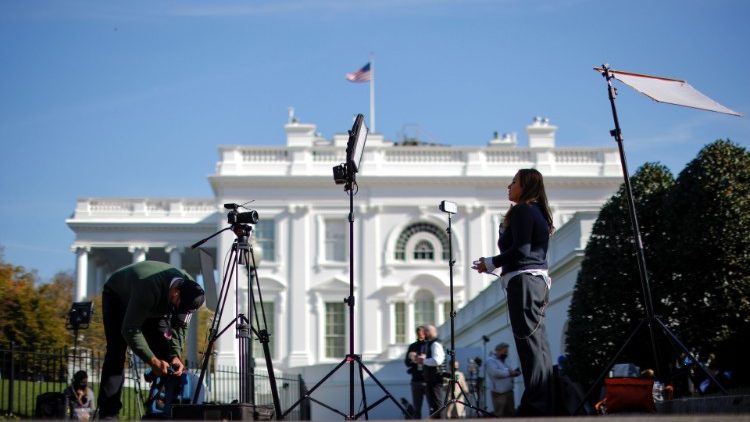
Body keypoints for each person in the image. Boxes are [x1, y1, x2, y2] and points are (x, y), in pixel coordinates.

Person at [472, 168, 555, 416]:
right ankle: (544, 402)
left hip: (524, 283)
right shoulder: (538, 211)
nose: (509, 186)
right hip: (534, 282)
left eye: (514, 182)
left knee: (529, 347)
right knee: (538, 345)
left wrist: (491, 262)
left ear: (526, 186)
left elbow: (521, 251)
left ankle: (535, 406)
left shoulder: (522, 210)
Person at [98, 260, 205, 419]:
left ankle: (164, 410)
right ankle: (108, 413)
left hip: (156, 303)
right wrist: (152, 360)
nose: (178, 310)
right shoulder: (148, 287)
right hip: (119, 296)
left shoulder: (191, 292)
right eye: (178, 305)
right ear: (175, 291)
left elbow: (180, 327)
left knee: (166, 353)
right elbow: (130, 329)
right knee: (116, 351)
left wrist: (175, 355)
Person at [416, 324, 445, 418]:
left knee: (436, 405)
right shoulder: (432, 344)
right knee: (433, 406)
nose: (424, 334)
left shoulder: (435, 344)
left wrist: (423, 360)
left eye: (426, 332)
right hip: (431, 380)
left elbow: (437, 360)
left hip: (435, 380)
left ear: (430, 332)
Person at [485, 342, 521, 417]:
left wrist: (515, 372)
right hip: (499, 393)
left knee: (511, 413)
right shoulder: (490, 361)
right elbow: (495, 373)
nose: (506, 353)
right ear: (498, 350)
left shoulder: (505, 360)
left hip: (509, 392)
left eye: (507, 352)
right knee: (500, 414)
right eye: (504, 352)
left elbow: (507, 371)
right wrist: (510, 373)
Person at [405, 325, 428, 419]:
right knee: (416, 408)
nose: (420, 336)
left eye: (422, 333)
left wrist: (424, 358)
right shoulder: (413, 346)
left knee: (433, 406)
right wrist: (412, 359)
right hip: (416, 380)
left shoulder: (429, 345)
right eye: (418, 334)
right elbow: (406, 363)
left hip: (428, 380)